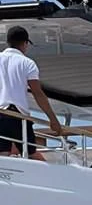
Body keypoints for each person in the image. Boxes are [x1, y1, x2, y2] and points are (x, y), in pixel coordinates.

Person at [0, 26, 63, 159]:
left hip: (0, 112)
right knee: (30, 153)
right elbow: (37, 93)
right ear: (25, 43)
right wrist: (53, 119)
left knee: (2, 154)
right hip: (18, 115)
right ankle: (49, 177)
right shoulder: (27, 63)